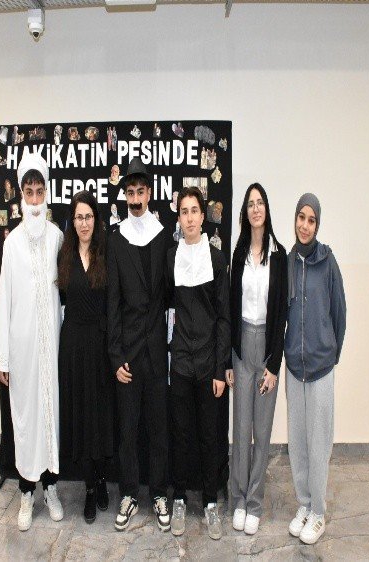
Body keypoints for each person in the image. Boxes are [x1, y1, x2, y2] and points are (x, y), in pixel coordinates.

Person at [0, 152, 64, 532]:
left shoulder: (57, 238)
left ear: (47, 193)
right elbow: (4, 301)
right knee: (25, 419)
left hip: (51, 350)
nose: (35, 201)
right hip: (21, 351)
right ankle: (25, 491)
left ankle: (50, 488)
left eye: (40, 192)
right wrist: (2, 357)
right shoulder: (12, 244)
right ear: (21, 195)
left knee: (49, 417)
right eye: (29, 193)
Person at [107, 157, 171, 532]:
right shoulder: (115, 239)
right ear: (125, 195)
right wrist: (115, 356)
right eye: (129, 192)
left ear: (149, 193)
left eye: (140, 192)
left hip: (157, 352)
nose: (134, 198)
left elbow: (169, 298)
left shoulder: (163, 237)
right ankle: (129, 494)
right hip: (128, 355)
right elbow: (112, 303)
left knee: (158, 431)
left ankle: (159, 493)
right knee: (128, 432)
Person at [166, 187, 230, 540]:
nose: (189, 217)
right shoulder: (171, 258)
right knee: (181, 435)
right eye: (184, 211)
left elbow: (223, 319)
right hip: (180, 362)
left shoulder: (217, 260)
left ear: (203, 216)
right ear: (178, 218)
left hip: (208, 365)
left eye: (194, 210)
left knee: (209, 437)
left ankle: (209, 501)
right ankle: (178, 498)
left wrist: (220, 369)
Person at [284, 193, 346, 545]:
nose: (305, 225)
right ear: (295, 219)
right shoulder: (289, 262)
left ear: (317, 225)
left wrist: (330, 353)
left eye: (311, 220)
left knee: (319, 442)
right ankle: (304, 504)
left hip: (321, 368)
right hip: (295, 367)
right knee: (298, 441)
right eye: (301, 218)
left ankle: (319, 512)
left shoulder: (328, 262)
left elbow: (339, 312)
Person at [226, 183, 288, 535]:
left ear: (267, 209)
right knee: (241, 429)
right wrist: (228, 359)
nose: (255, 208)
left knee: (261, 433)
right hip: (241, 348)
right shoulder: (238, 254)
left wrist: (274, 366)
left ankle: (255, 503)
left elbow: (282, 315)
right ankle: (238, 499)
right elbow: (230, 309)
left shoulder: (279, 256)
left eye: (260, 202)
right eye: (250, 204)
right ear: (245, 213)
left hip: (266, 349)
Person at [57, 191, 114, 524]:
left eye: (88, 216)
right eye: (78, 217)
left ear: (96, 219)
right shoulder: (63, 256)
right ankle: (90, 487)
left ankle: (102, 478)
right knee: (82, 417)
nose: (83, 223)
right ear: (72, 221)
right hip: (74, 347)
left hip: (101, 345)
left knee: (100, 416)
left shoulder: (106, 253)